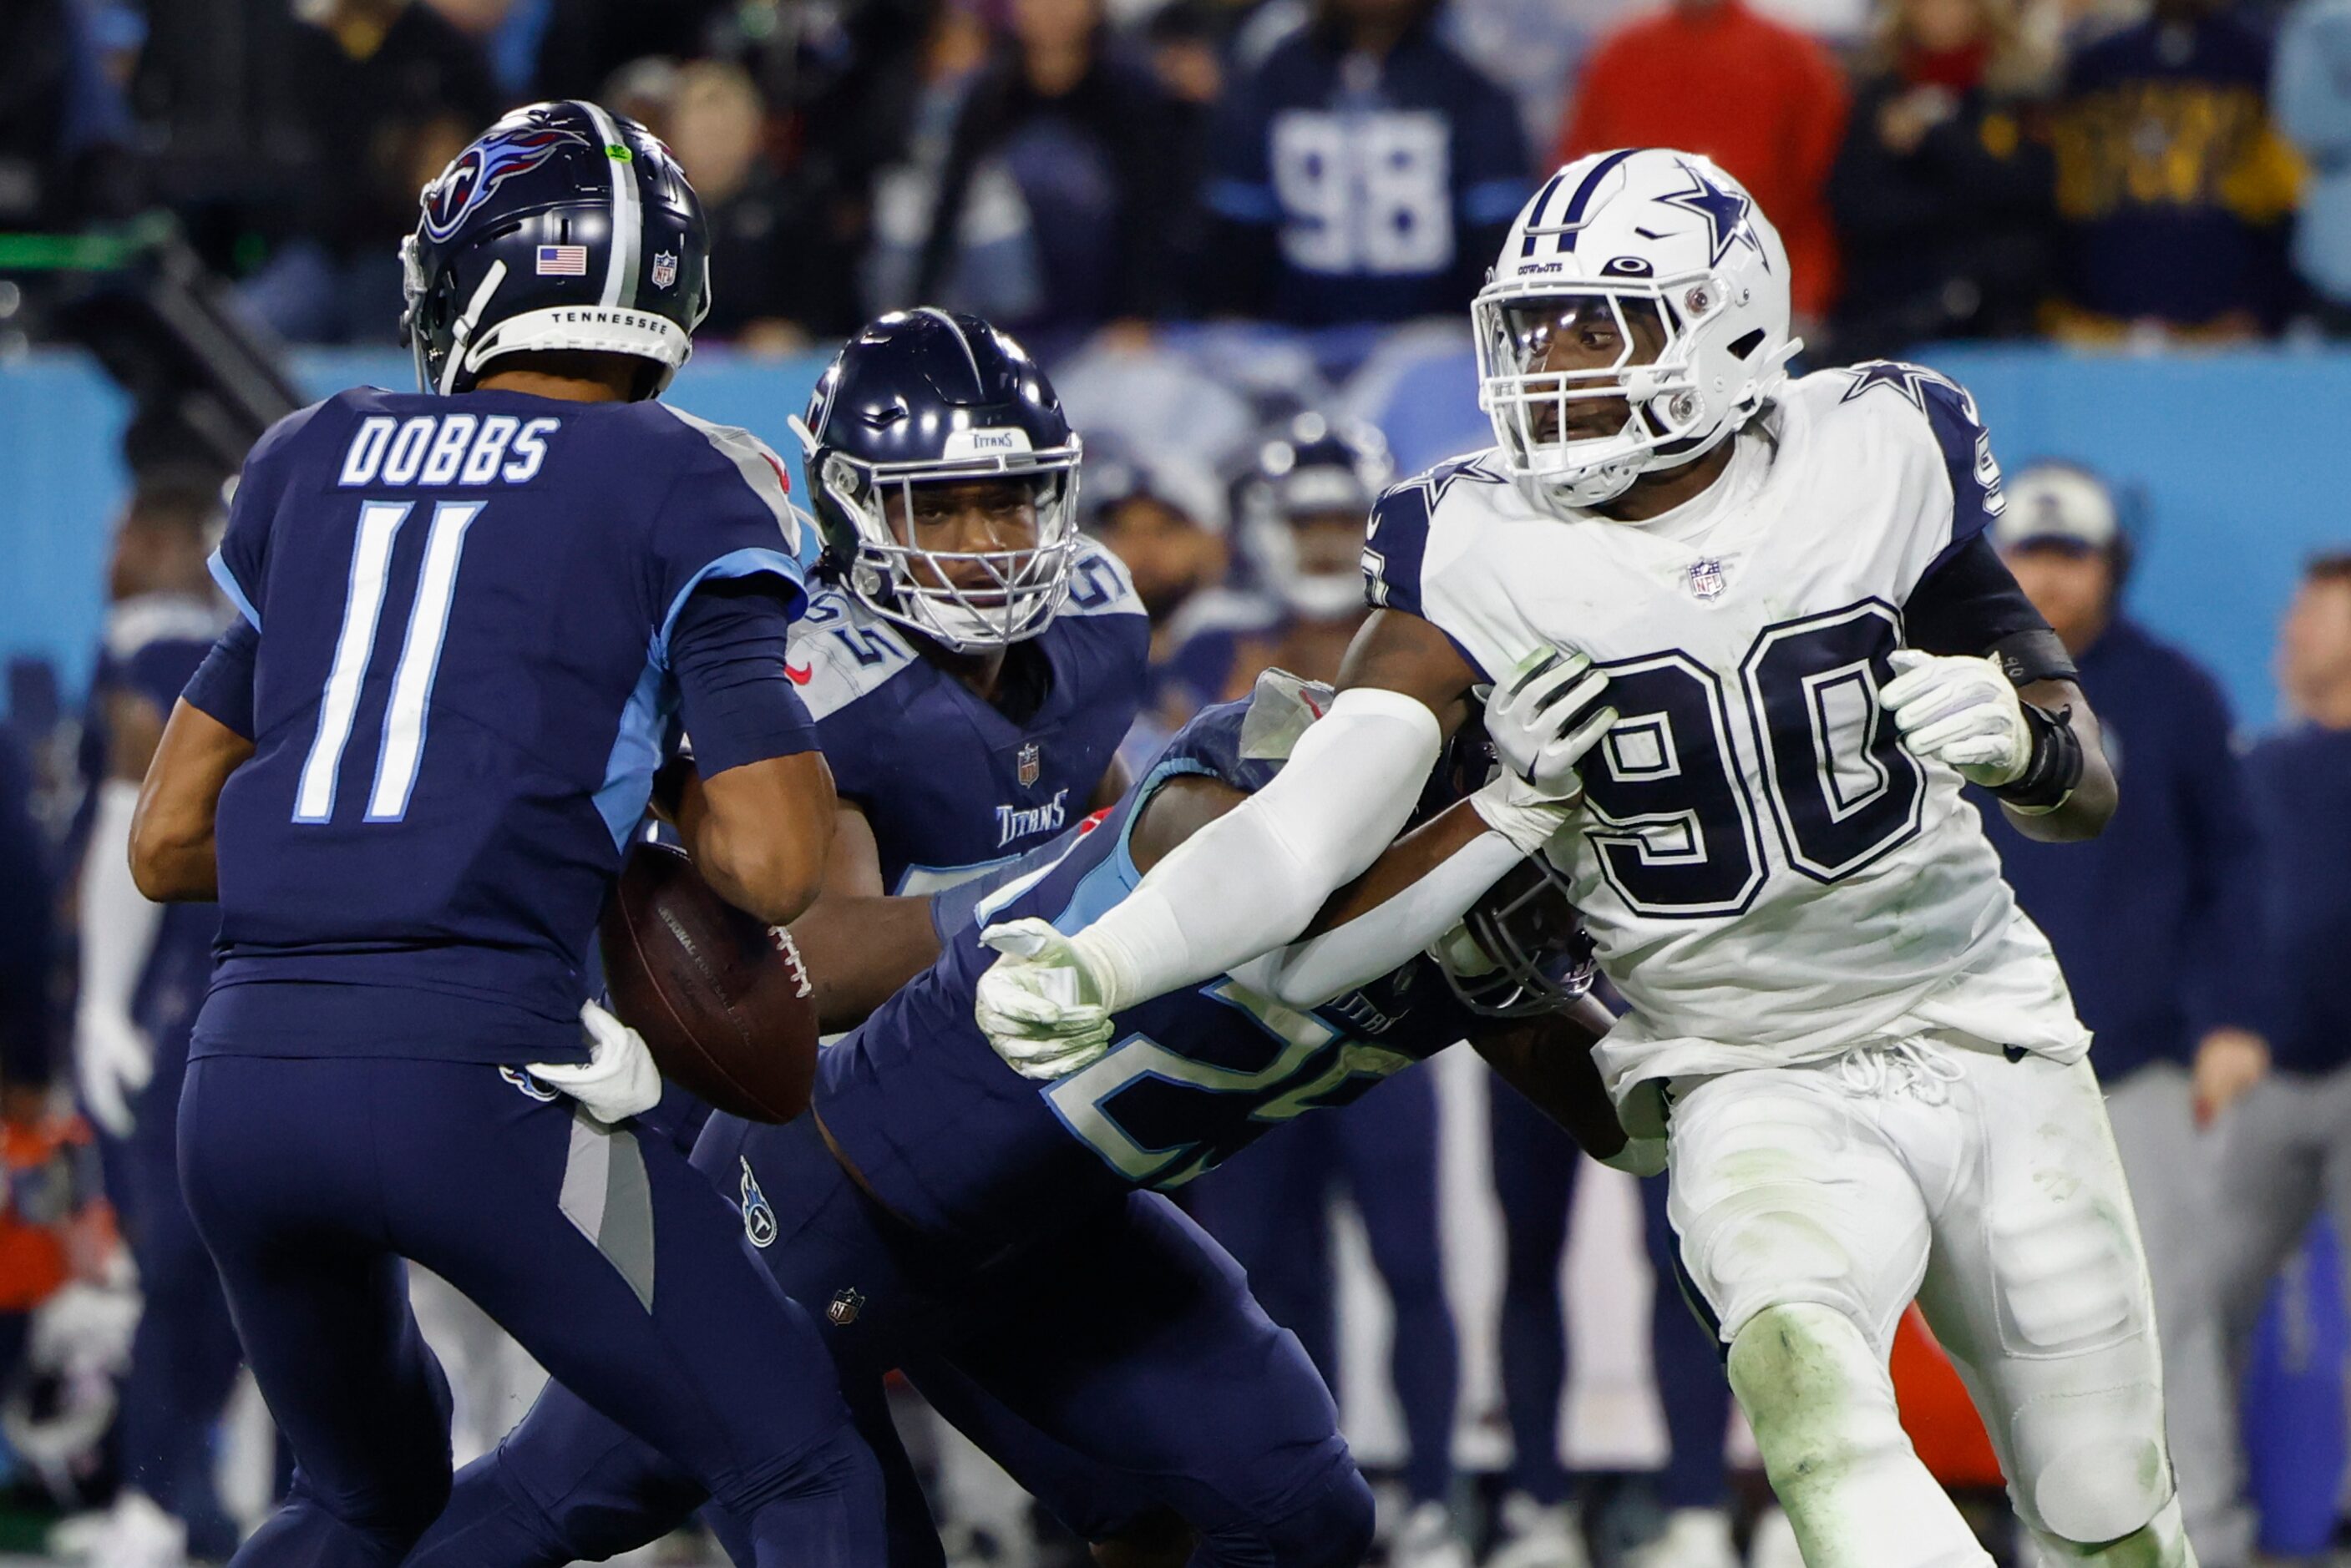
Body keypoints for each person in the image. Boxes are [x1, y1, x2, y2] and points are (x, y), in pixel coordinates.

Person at [974, 149, 2202, 1568]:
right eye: (1534, 326)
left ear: (1726, 323)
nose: (1545, 365)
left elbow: (2082, 788)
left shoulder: (1880, 450)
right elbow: (1307, 829)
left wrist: (2026, 743)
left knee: (2109, 1505)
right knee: (1815, 1409)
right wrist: (1106, 955)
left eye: (1590, 326)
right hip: (1740, 1069)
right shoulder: (1475, 545)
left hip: (1984, 1022)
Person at [125, 101, 883, 1567]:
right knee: (799, 1460)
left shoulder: (314, 451)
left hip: (242, 1082)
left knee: (358, 1499)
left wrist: (402, 839)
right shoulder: (675, 473)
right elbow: (780, 864)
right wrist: (589, 815)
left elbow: (167, 838)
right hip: (475, 1075)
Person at [405, 667, 1627, 1568]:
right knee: (562, 1501)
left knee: (1283, 1511)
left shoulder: (1509, 891)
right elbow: (1285, 918)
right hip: (843, 1190)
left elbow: (1624, 1123)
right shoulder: (1266, 767)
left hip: (1058, 1232)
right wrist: (1496, 829)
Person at [1179, 415, 1470, 1568]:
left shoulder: (1429, 638)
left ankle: (1439, 1498)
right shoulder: (1206, 640)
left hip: (1383, 1000)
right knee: (1258, 1281)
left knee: (1409, 1261)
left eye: (1345, 520)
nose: (1325, 540)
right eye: (1307, 520)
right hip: (1239, 1006)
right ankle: (1304, 1501)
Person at [1984, 462, 2263, 1567]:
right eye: (2029, 551)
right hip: (1997, 1071)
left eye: (2072, 554)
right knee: (2023, 1329)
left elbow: (2236, 864)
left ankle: (2213, 1540)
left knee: (2168, 1315)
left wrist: (2231, 1015)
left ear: (2111, 566)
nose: (2047, 574)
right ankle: (2056, 1544)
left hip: (2137, 1062)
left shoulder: (2170, 691)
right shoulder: (1953, 686)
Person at [787, 308, 1145, 903]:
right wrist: (1046, 894)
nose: (983, 545)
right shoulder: (836, 684)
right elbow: (829, 965)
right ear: (849, 510)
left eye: (1007, 504)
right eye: (933, 511)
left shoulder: (1097, 617)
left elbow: (1115, 855)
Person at [69, 471, 244, 1568]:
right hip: (224, 976)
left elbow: (129, 821)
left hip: (190, 979)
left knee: (184, 1258)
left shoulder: (159, 650)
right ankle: (197, 1495)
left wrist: (97, 995)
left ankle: (177, 1496)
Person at [2212, 554, 2351, 1540]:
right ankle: (2192, 1525)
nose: (2292, 627)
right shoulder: (2253, 767)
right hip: (2256, 1080)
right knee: (2193, 1303)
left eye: (2315, 611)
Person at [1198, 0, 1534, 325]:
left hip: (1438, 344)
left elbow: (1500, 246)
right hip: (1292, 341)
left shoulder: (1469, 82)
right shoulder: (1274, 76)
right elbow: (1235, 245)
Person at [1553, 2, 1848, 327]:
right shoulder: (1618, 57)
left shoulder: (1791, 57)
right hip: (1634, 300)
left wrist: (1804, 295)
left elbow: (1827, 186)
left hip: (1772, 296)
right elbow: (1579, 184)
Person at [912, 0, 1183, 351]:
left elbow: (1153, 212)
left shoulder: (1132, 95)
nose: (1052, 9)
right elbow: (948, 209)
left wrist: (1138, 313)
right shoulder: (986, 95)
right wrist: (923, 312)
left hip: (1104, 326)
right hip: (1000, 319)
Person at [2046, 0, 2301, 339]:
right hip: (2101, 328)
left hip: (2227, 331)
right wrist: (2063, 304)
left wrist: (2264, 309)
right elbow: (2064, 200)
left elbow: (2285, 205)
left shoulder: (2257, 62)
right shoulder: (2098, 67)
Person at [1826, 0, 2055, 358]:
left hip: (1994, 322)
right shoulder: (1877, 92)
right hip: (1889, 314)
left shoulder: (2017, 92)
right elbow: (1854, 203)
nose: (1939, 11)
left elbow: (2029, 193)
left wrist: (1933, 139)